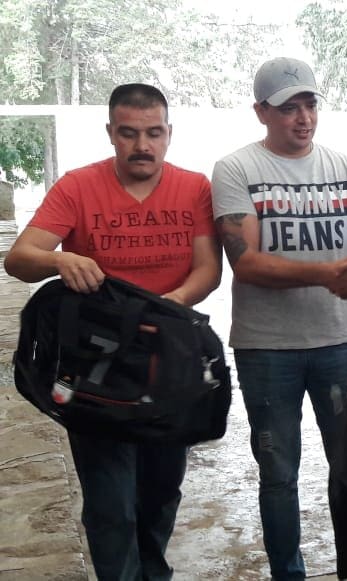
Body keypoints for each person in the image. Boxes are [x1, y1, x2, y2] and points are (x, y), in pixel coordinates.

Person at [3, 83, 221, 580]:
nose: (142, 145)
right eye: (128, 133)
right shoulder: (78, 187)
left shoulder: (194, 188)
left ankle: (153, 571)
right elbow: (19, 259)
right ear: (110, 133)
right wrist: (60, 260)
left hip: (168, 360)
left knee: (162, 490)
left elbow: (208, 270)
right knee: (110, 501)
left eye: (153, 133)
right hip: (97, 367)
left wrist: (166, 309)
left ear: (169, 134)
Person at [210, 57, 347, 580]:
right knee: (278, 474)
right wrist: (328, 273)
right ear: (261, 112)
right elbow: (246, 263)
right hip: (267, 348)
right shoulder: (237, 169)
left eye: (310, 104)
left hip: (339, 342)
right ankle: (287, 574)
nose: (303, 118)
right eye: (288, 107)